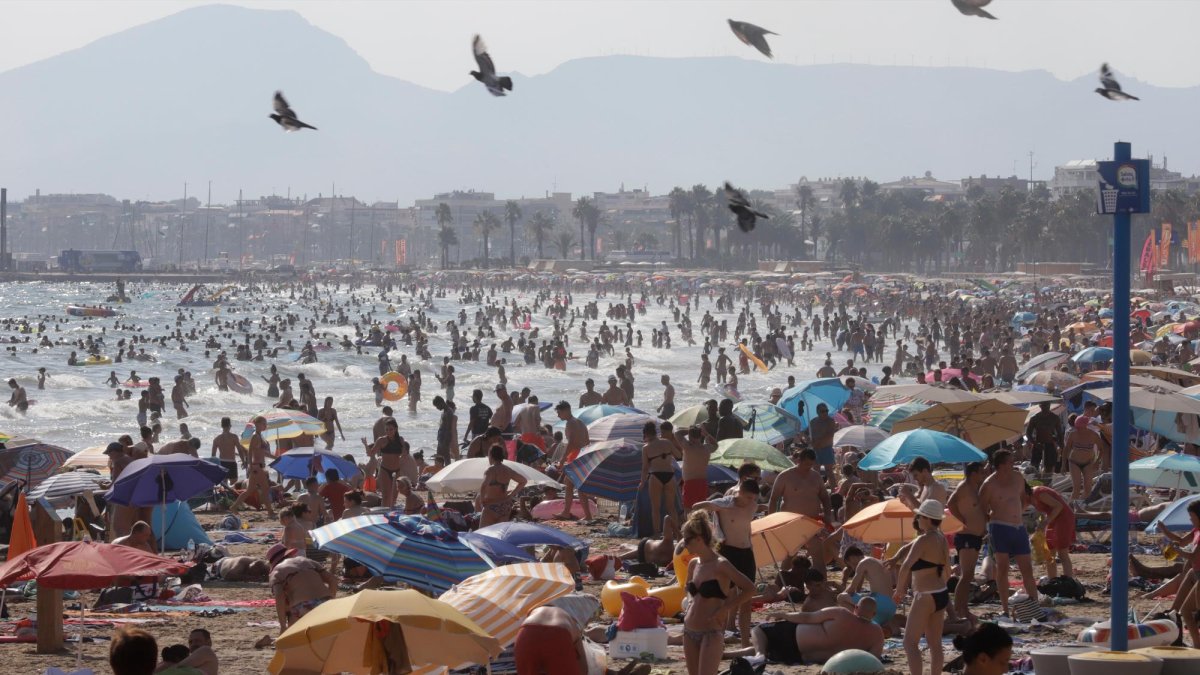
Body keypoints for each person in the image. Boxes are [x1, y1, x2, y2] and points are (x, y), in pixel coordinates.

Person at [680, 511, 755, 675]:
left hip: (711, 632)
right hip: (689, 631)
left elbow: (749, 588)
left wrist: (725, 609)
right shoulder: (694, 564)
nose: (684, 544)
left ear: (699, 539)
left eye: (687, 540)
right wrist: (689, 605)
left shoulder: (721, 565)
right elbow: (689, 591)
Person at [693, 479, 761, 647]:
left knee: (747, 601)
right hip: (728, 552)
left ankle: (745, 643)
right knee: (724, 598)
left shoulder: (753, 506)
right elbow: (697, 506)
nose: (750, 501)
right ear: (739, 493)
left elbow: (749, 525)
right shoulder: (725, 504)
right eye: (747, 497)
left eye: (753, 498)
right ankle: (718, 641)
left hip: (746, 553)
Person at [893, 499, 951, 675]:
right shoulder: (941, 538)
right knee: (935, 644)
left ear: (926, 518)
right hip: (941, 592)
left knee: (909, 642)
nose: (916, 520)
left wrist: (899, 590)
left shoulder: (923, 540)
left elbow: (906, 567)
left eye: (919, 516)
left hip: (925, 595)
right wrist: (895, 556)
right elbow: (947, 569)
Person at [978, 449, 1039, 616]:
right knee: (1003, 568)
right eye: (1010, 461)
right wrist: (988, 524)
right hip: (999, 527)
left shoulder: (1018, 477)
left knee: (1026, 568)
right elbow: (982, 508)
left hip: (1018, 527)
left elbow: (1022, 498)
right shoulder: (989, 484)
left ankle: (1035, 605)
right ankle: (1004, 608)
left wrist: (1017, 512)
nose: (1013, 464)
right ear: (1001, 464)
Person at [751, 597, 884, 664]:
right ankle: (731, 655)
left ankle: (759, 657)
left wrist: (784, 615)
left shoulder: (842, 613)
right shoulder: (877, 634)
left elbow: (808, 617)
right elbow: (873, 660)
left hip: (793, 637)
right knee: (765, 646)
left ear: (856, 607)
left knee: (758, 630)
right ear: (874, 614)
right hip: (798, 658)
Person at [768, 448, 832, 566]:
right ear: (799, 460)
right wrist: (771, 520)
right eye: (806, 464)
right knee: (790, 555)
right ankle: (783, 582)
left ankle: (822, 582)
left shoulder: (816, 476)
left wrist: (828, 514)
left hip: (812, 521)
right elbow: (773, 499)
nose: (809, 466)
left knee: (818, 555)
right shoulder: (785, 476)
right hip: (791, 522)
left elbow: (825, 497)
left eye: (811, 464)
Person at [947, 461, 987, 619]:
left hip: (975, 535)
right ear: (973, 473)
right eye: (981, 472)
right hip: (966, 535)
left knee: (969, 575)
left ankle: (963, 608)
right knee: (966, 575)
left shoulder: (975, 488)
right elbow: (950, 502)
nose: (983, 475)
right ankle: (958, 610)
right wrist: (961, 519)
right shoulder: (964, 487)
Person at [268, 543, 337, 632]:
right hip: (326, 603)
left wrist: (282, 626)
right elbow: (333, 580)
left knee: (293, 639)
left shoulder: (276, 572)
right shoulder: (307, 561)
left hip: (303, 606)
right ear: (289, 554)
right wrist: (331, 598)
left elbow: (279, 597)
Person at [513, 605, 587, 675]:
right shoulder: (570, 620)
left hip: (526, 631)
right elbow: (583, 665)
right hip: (559, 632)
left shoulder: (532, 611)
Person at [836, 546, 897, 626]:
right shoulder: (877, 561)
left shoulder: (863, 563)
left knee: (841, 597)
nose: (853, 568)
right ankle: (877, 623)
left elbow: (851, 590)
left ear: (853, 557)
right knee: (866, 599)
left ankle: (861, 623)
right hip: (891, 608)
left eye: (851, 564)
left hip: (879, 606)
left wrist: (839, 596)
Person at [363, 418, 416, 508]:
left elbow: (405, 453)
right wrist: (365, 444)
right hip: (385, 469)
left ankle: (391, 512)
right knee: (386, 495)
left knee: (395, 495)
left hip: (397, 470)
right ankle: (384, 512)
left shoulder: (400, 440)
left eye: (391, 429)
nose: (388, 431)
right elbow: (370, 453)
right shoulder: (381, 440)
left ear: (395, 429)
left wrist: (401, 458)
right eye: (386, 429)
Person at [553, 401, 592, 521]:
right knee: (573, 485)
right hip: (583, 455)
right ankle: (586, 515)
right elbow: (587, 441)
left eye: (559, 413)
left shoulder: (570, 423)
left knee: (573, 484)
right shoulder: (580, 422)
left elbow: (572, 443)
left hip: (575, 456)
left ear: (566, 410)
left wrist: (563, 459)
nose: (558, 416)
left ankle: (568, 512)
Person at [640, 421, 680, 537]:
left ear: (646, 434)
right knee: (671, 508)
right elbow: (678, 455)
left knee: (655, 508)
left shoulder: (646, 448)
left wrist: (642, 482)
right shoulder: (667, 442)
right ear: (655, 432)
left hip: (655, 476)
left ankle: (657, 533)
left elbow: (645, 468)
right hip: (669, 475)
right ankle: (676, 533)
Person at [230, 416, 275, 517]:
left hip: (259, 466)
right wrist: (251, 465)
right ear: (258, 424)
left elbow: (264, 452)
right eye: (264, 423)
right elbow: (250, 451)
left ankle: (234, 507)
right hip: (256, 467)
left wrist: (276, 457)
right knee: (265, 489)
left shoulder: (260, 436)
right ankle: (270, 512)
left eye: (265, 424)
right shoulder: (255, 436)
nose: (265, 425)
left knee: (250, 490)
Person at [1029, 483, 1076, 578]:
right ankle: (1052, 580)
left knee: (1062, 553)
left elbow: (1058, 506)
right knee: (1049, 553)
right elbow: (1046, 510)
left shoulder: (1038, 493)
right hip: (1053, 518)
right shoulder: (1030, 497)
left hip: (1063, 518)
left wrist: (1045, 522)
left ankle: (1069, 582)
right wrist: (1041, 524)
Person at [476, 444, 527, 527]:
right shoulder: (507, 470)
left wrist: (482, 501)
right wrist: (511, 495)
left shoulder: (490, 470)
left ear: (491, 455)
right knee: (500, 533)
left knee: (483, 533)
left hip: (491, 505)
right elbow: (523, 481)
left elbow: (484, 486)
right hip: (505, 506)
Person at [673, 424, 714, 509]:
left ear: (690, 435)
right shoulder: (706, 448)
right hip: (703, 483)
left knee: (688, 511)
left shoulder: (687, 446)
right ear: (700, 436)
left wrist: (689, 429)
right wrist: (706, 434)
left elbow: (677, 433)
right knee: (701, 512)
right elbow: (716, 445)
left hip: (690, 483)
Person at [153, 628, 217, 675]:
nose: (193, 644)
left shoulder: (206, 650)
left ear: (209, 642)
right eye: (190, 642)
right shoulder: (191, 665)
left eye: (197, 640)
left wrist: (166, 665)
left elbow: (177, 667)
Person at [1026, 402, 1063, 476]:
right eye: (1044, 405)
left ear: (1049, 405)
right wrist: (1035, 444)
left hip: (1050, 444)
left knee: (1049, 468)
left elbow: (1060, 433)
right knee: (1034, 467)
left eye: (1047, 405)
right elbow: (1028, 433)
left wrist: (1060, 446)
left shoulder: (1055, 418)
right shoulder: (1034, 418)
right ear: (1040, 406)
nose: (1046, 407)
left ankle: (1047, 484)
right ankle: (1036, 483)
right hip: (1038, 445)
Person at [808, 403, 838, 486]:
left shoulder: (830, 421)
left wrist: (817, 443)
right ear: (817, 412)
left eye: (826, 411)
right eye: (822, 411)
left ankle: (833, 491)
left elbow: (829, 435)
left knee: (829, 471)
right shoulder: (813, 422)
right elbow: (809, 435)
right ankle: (816, 490)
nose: (825, 413)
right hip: (815, 449)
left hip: (826, 448)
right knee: (815, 472)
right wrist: (808, 440)